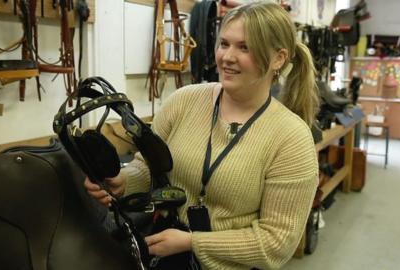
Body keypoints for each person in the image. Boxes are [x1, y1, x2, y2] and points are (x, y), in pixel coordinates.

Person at [84, 2, 319, 269]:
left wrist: (192, 242)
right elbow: (149, 165)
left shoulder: (292, 139)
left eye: (245, 47)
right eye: (224, 43)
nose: (227, 57)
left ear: (278, 58)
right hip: (163, 247)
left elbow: (277, 242)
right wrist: (124, 180)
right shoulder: (184, 101)